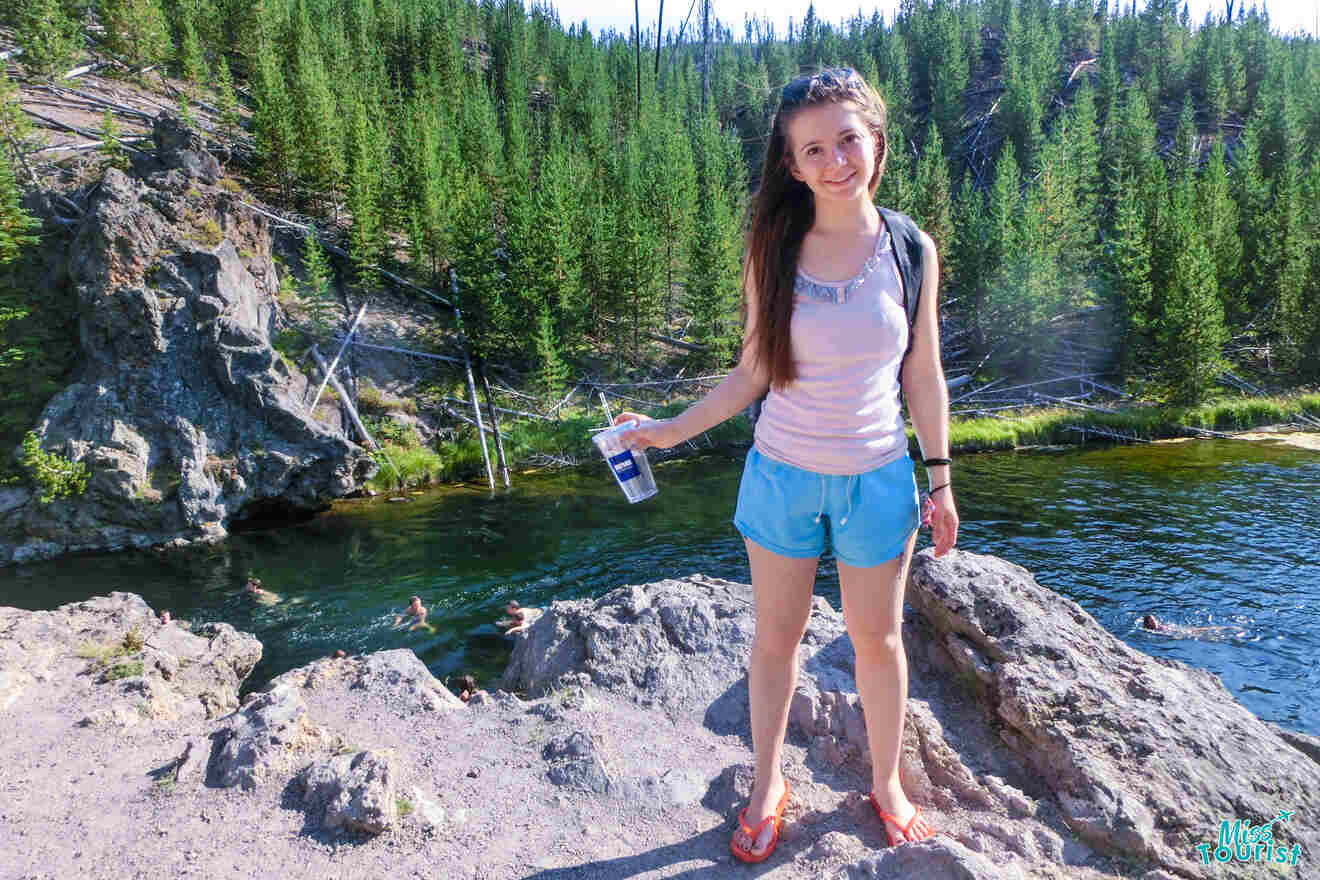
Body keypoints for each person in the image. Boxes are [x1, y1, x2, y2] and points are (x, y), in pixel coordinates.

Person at [613, 67, 958, 864]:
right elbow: (752, 374)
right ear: (794, 164)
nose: (836, 160)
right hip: (782, 475)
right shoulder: (772, 245)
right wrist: (669, 430)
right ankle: (767, 782)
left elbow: (923, 373)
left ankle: (886, 784)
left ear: (875, 140)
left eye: (847, 138)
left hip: (878, 478)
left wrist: (940, 482)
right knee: (777, 639)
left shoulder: (909, 248)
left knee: (878, 641)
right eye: (814, 148)